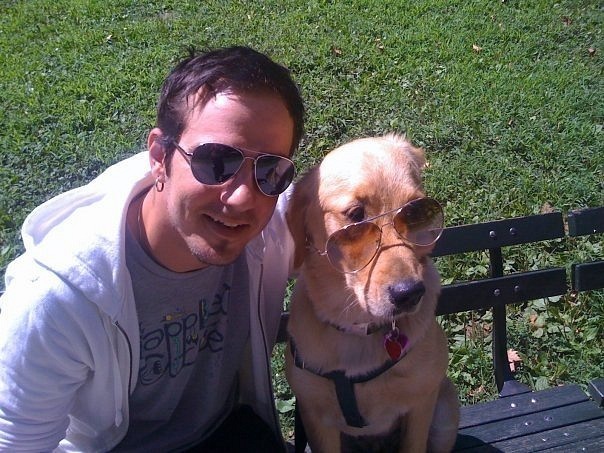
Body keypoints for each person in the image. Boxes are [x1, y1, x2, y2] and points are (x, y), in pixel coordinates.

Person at [0, 46, 304, 452]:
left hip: (229, 430)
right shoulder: (57, 300)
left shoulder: (274, 220)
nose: (242, 198)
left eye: (270, 170)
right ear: (160, 156)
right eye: (216, 161)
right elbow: (18, 444)